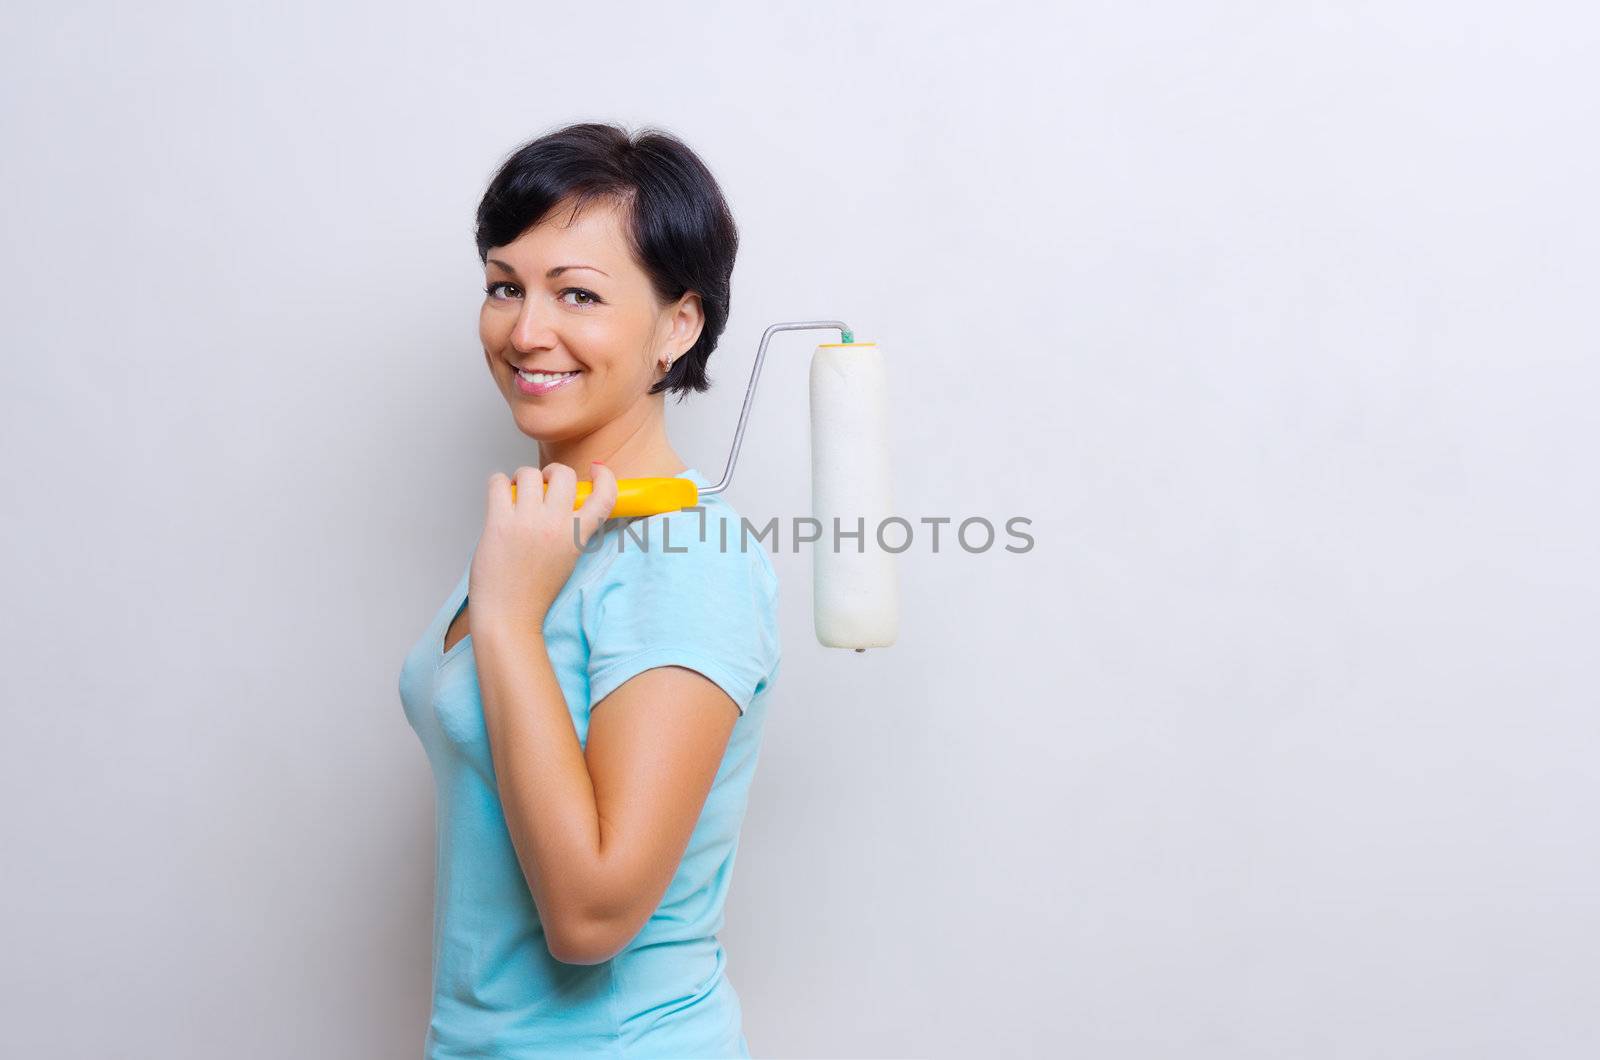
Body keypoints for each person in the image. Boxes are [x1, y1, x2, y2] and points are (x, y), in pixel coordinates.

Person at [397, 122, 781, 1058]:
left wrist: (507, 616)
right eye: (504, 286)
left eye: (578, 294)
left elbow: (593, 916)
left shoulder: (689, 557)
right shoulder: (550, 531)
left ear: (677, 326)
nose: (527, 331)